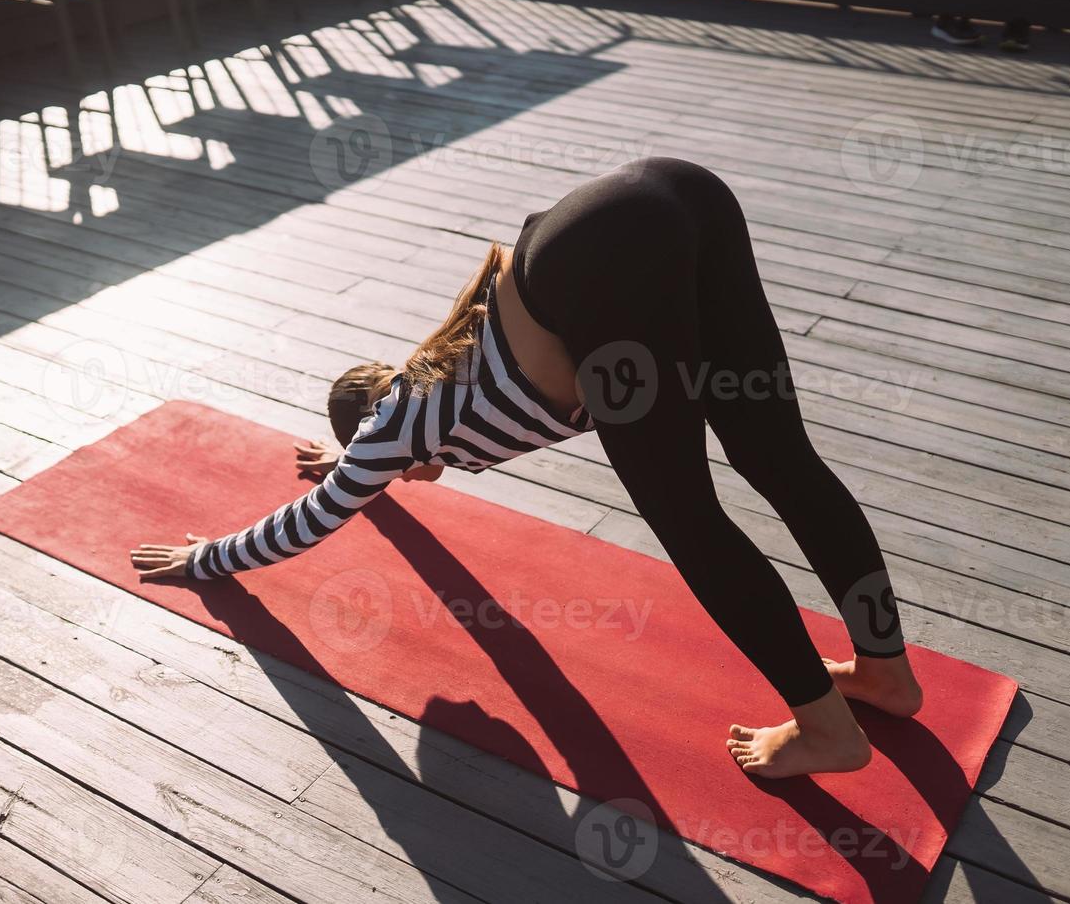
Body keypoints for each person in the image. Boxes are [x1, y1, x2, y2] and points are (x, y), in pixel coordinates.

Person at [132, 157, 924, 779]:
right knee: (782, 462)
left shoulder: (402, 425)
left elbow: (315, 519)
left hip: (611, 257)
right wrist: (347, 458)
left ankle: (826, 729)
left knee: (689, 518)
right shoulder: (435, 379)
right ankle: (884, 673)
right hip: (673, 191)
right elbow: (393, 450)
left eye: (385, 468)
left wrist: (208, 557)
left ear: (391, 455)